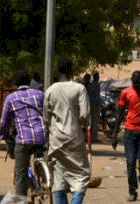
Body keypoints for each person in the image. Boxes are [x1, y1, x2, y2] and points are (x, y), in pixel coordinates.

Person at [43, 58, 91, 204]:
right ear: (71, 70)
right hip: (74, 136)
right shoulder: (79, 89)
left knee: (59, 175)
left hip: (56, 138)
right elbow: (84, 115)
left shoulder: (50, 90)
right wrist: (81, 125)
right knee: (82, 174)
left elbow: (46, 117)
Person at [0, 69, 48, 197]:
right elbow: (47, 113)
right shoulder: (39, 95)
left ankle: (21, 198)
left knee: (20, 174)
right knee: (39, 153)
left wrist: (2, 135)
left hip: (23, 139)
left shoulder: (11, 98)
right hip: (42, 137)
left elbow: (4, 122)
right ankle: (44, 179)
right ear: (29, 82)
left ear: (16, 83)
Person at [112, 70, 140, 201]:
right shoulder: (126, 93)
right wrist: (114, 134)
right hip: (130, 131)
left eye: (139, 83)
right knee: (130, 163)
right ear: (132, 81)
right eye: (135, 83)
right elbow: (119, 114)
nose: (137, 85)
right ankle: (133, 190)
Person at [86, 72, 101, 143]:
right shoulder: (97, 85)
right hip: (95, 106)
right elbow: (97, 97)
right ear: (97, 78)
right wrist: (98, 105)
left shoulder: (89, 85)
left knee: (89, 122)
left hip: (88, 105)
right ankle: (94, 138)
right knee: (95, 122)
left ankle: (87, 137)